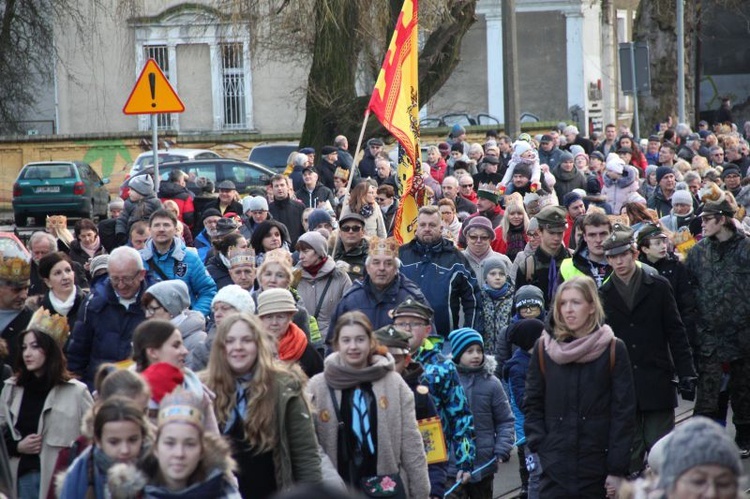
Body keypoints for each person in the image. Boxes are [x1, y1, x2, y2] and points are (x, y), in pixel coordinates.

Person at [524, 277, 636, 498]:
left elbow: (623, 412)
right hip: (555, 466)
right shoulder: (543, 348)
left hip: (597, 466)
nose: (568, 310)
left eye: (575, 302)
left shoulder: (612, 348)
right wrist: (541, 447)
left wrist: (616, 468)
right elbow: (532, 403)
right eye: (562, 303)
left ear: (592, 306)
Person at [600, 224, 696, 474]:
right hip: (622, 385)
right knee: (629, 454)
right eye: (613, 257)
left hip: (656, 378)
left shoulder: (658, 285)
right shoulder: (603, 294)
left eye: (623, 254)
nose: (619, 261)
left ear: (634, 254)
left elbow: (676, 331)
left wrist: (686, 371)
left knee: (660, 451)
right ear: (608, 260)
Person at [308, 311, 430, 498]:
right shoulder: (317, 387)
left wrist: (421, 492)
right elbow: (310, 446)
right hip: (337, 490)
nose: (353, 347)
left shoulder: (393, 383)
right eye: (346, 340)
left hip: (386, 488)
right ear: (337, 344)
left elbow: (411, 444)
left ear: (371, 342)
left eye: (360, 339)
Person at [204, 313, 322, 497]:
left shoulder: (284, 386)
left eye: (246, 340)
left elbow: (305, 455)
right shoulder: (202, 388)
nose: (238, 347)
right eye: (230, 341)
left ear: (258, 344)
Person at [1, 309, 94, 499]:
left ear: (50, 350)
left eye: (35, 346)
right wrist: (17, 446)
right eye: (24, 347)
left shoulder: (77, 392)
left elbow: (92, 438)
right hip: (20, 479)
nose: (27, 353)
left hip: (61, 482)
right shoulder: (11, 389)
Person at [685, 195, 750, 455]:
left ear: (722, 220)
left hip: (743, 336)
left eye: (707, 219)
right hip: (709, 336)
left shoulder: (746, 249)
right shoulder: (699, 252)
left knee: (744, 392)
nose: (702, 225)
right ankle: (707, 442)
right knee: (709, 393)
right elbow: (688, 289)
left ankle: (744, 438)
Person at [392, 299, 477, 484]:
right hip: (391, 460)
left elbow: (460, 416)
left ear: (427, 330)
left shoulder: (443, 366)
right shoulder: (381, 362)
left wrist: (465, 461)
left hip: (432, 460)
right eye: (401, 323)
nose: (407, 329)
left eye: (414, 323)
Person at [109, 388, 242, 498]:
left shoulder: (224, 492)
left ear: (202, 450)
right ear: (156, 448)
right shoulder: (129, 493)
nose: (179, 454)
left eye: (189, 444)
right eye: (170, 443)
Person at [66, 246, 148, 390]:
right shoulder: (94, 302)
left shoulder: (153, 302)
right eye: (115, 279)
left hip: (141, 387)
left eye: (127, 279)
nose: (121, 285)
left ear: (141, 274)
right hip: (100, 386)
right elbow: (79, 348)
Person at [446, 328, 515, 499]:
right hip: (452, 463)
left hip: (483, 462)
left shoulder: (492, 384)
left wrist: (502, 447)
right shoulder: (446, 382)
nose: (476, 355)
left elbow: (505, 420)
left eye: (479, 350)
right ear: (457, 354)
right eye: (469, 351)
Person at [327, 237, 427, 346]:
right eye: (376, 262)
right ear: (368, 267)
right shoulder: (351, 299)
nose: (382, 268)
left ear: (396, 268)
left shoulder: (412, 297)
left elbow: (427, 342)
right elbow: (332, 342)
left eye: (388, 263)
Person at [400, 206, 480, 338]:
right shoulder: (401, 256)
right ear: (416, 228)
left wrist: (467, 335)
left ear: (441, 228)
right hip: (405, 338)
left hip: (445, 340)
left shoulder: (456, 258)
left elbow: (473, 301)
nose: (427, 229)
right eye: (423, 225)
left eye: (432, 225)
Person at [58, 396, 151, 499]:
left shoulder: (160, 470)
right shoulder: (77, 475)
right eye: (114, 442)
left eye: (132, 440)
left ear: (143, 437)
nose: (125, 450)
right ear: (98, 440)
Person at [140, 209, 217, 316]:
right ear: (150, 230)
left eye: (166, 225)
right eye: (157, 225)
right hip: (149, 323)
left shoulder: (191, 258)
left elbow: (208, 291)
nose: (161, 229)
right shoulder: (139, 260)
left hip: (183, 325)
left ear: (175, 229)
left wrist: (196, 316)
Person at [502, 318, 545, 499]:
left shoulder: (540, 358)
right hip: (528, 433)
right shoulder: (518, 367)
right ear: (531, 341)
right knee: (536, 475)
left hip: (542, 427)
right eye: (543, 336)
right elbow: (522, 401)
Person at [295, 231, 352, 349]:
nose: (300, 256)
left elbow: (350, 311)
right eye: (299, 251)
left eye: (305, 251)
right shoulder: (294, 278)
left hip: (333, 345)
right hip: (303, 346)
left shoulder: (340, 277)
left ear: (319, 251)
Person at [186, 284, 255, 371]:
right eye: (215, 309)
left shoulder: (260, 343)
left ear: (242, 312)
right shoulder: (204, 349)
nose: (217, 314)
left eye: (224, 308)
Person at [256, 289, 324, 378]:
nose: (274, 323)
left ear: (290, 318)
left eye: (280, 317)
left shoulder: (305, 350)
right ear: (261, 319)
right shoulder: (251, 347)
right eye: (269, 317)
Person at [515, 205, 571, 306]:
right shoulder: (528, 266)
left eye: (560, 233)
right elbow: (518, 305)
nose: (557, 238)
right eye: (551, 233)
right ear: (540, 232)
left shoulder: (573, 260)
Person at [141, 280, 207, 355]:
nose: (147, 315)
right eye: (146, 309)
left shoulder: (198, 340)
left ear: (171, 309)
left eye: (152, 309)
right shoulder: (151, 336)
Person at [30, 252, 88, 333]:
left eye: (68, 270)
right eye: (58, 273)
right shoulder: (38, 310)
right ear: (47, 282)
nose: (65, 277)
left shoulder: (89, 304)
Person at [558, 211, 613, 288]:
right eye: (592, 235)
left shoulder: (628, 264)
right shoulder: (566, 267)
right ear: (584, 237)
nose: (598, 240)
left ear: (611, 234)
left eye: (603, 234)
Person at [461, 216, 512, 287]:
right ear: (467, 238)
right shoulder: (457, 260)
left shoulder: (503, 260)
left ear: (490, 239)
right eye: (473, 237)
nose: (478, 241)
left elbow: (512, 289)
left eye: (484, 237)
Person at [116, 174, 163, 246]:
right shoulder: (128, 204)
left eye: (131, 190)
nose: (128, 192)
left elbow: (161, 218)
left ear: (141, 192)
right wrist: (120, 232)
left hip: (151, 236)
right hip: (132, 237)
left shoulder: (155, 203)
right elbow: (122, 219)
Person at [268, 174, 306, 246]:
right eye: (276, 186)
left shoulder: (300, 207)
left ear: (288, 187)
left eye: (282, 185)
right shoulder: (268, 210)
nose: (279, 188)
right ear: (272, 189)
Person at [331, 213, 369, 282]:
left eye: (356, 228)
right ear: (340, 233)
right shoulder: (332, 254)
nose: (350, 231)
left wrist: (350, 269)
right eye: (346, 228)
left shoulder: (370, 256)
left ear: (363, 232)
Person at [491, 197, 529, 261]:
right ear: (507, 215)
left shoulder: (531, 231)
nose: (516, 217)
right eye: (512, 214)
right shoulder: (497, 233)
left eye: (519, 213)